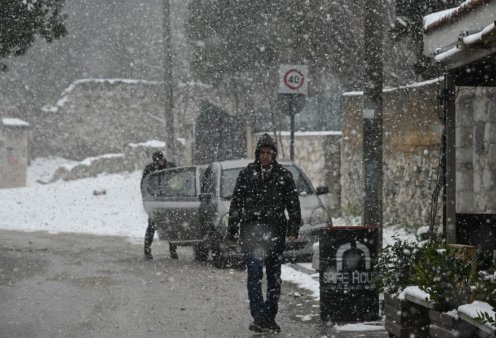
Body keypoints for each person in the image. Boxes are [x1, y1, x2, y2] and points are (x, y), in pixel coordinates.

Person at [226, 133, 301, 334]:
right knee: (254, 275)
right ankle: (259, 316)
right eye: (263, 152)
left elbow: (293, 204)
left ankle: (268, 317)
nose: (266, 156)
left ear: (274, 154)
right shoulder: (246, 174)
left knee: (274, 278)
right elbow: (236, 204)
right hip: (251, 234)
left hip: (275, 234)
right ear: (258, 153)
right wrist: (232, 231)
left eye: (269, 153)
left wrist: (294, 228)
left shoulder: (284, 176)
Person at [141, 151, 177, 260]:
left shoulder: (170, 167)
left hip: (169, 200)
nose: (159, 162)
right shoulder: (150, 169)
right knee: (152, 226)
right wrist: (147, 199)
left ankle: (173, 251)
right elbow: (144, 184)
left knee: (171, 227)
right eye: (157, 161)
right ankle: (147, 250)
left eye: (160, 160)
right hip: (155, 201)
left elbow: (178, 180)